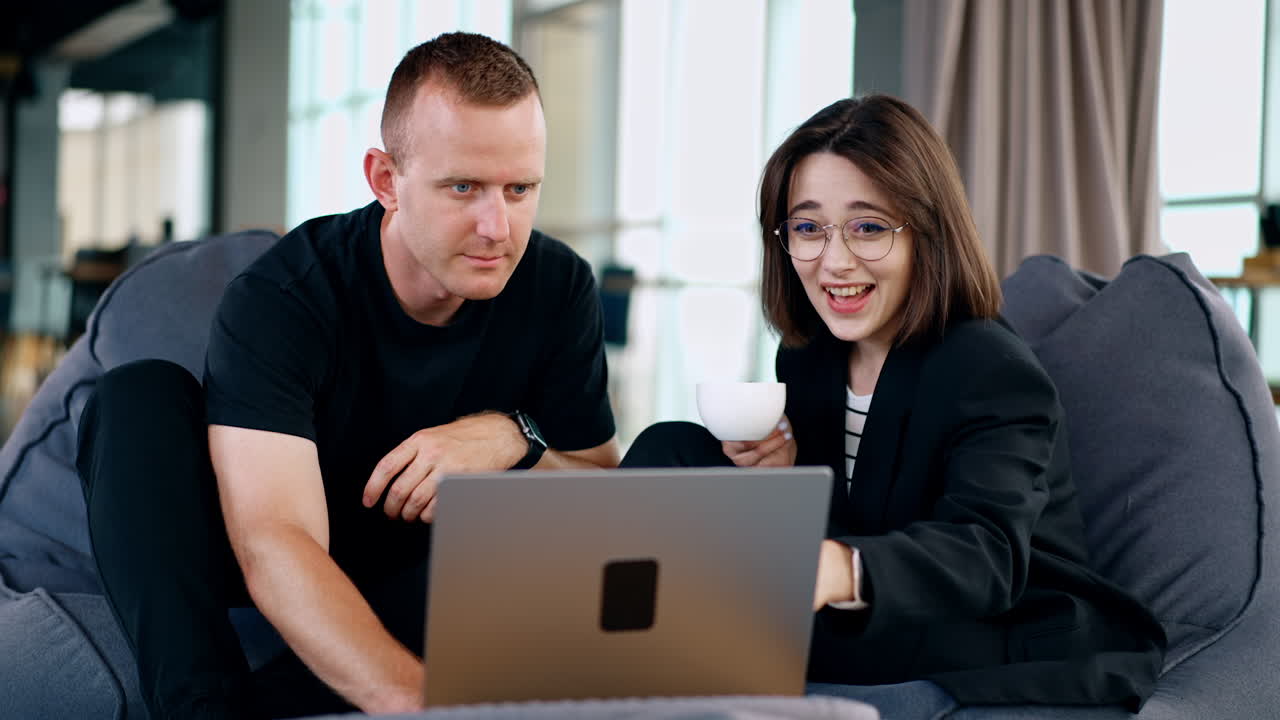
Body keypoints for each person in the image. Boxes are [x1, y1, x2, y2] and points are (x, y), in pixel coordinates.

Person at [76, 32, 619, 719]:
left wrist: (516, 443)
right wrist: (411, 698)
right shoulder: (285, 296)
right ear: (386, 181)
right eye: (463, 187)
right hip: (270, 564)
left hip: (431, 580)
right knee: (136, 396)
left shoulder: (558, 285)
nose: (497, 226)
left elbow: (602, 489)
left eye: (520, 189)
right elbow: (275, 537)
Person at [621, 95, 1166, 711]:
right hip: (863, 595)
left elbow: (985, 552)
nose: (835, 260)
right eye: (807, 228)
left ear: (925, 234)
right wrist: (786, 476)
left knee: (824, 619)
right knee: (671, 445)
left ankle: (694, 630)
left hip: (990, 615)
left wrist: (837, 567)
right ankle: (615, 623)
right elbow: (859, 506)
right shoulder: (809, 356)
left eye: (868, 227)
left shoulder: (989, 367)